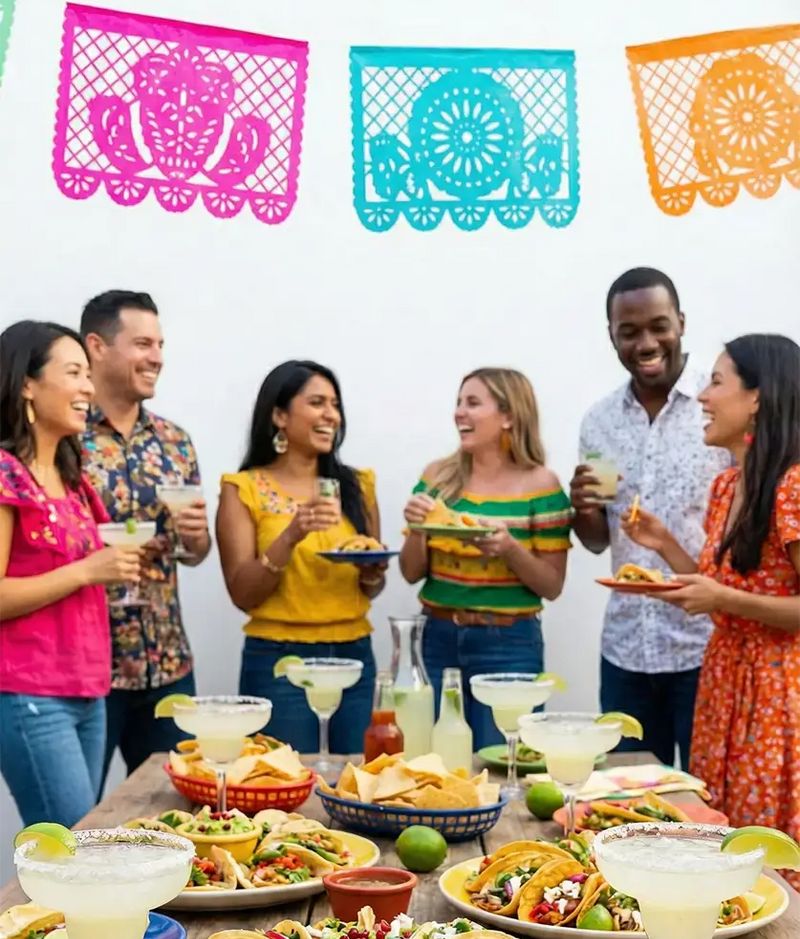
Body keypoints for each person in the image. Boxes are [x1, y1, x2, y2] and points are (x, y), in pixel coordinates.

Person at [622, 334, 800, 853]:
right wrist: (665, 546)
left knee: (759, 848)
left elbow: (728, 598)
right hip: (721, 680)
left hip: (774, 693)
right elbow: (720, 587)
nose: (701, 395)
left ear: (758, 399)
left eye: (717, 381)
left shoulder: (792, 486)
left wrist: (722, 601)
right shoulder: (726, 485)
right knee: (714, 833)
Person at [569, 267, 729, 768]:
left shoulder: (720, 403)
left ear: (681, 322)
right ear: (612, 335)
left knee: (705, 799)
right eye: (629, 331)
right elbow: (597, 541)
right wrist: (583, 509)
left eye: (658, 325)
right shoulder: (599, 420)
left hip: (706, 644)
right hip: (626, 647)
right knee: (627, 798)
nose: (646, 342)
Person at [0, 321, 140, 827]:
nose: (88, 387)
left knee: (78, 845)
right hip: (29, 690)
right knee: (75, 851)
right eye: (74, 372)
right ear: (26, 384)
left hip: (88, 687)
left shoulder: (73, 479)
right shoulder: (4, 474)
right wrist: (86, 571)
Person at [216, 360, 384, 751]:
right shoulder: (243, 489)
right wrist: (291, 534)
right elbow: (243, 593)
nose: (331, 415)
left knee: (355, 783)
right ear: (279, 415)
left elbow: (371, 583)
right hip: (279, 660)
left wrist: (373, 572)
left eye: (335, 404)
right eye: (317, 403)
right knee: (283, 785)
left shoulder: (358, 486)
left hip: (353, 655)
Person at [399, 368, 571, 747]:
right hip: (437, 637)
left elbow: (552, 586)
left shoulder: (542, 485)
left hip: (509, 643)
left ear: (509, 415)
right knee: (432, 760)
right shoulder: (437, 477)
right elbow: (410, 573)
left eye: (473, 403)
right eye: (459, 403)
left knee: (502, 759)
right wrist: (418, 528)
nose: (460, 412)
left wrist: (509, 548)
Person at [80, 290, 211, 781]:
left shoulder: (175, 440)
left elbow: (194, 553)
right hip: (90, 667)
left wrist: (195, 538)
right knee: (79, 819)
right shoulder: (63, 434)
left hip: (167, 661)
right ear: (96, 346)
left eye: (159, 344)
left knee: (171, 809)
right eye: (141, 343)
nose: (156, 357)